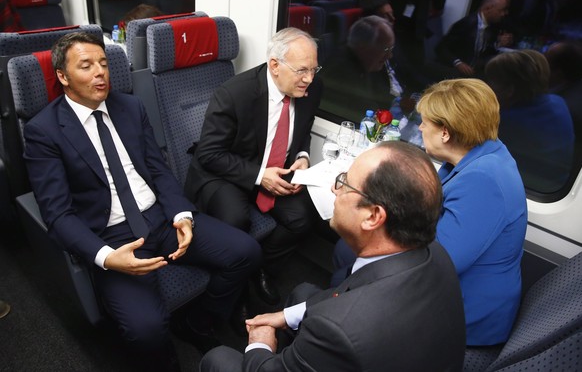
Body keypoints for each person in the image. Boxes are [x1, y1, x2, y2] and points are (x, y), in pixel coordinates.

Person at [23, 32, 261, 370]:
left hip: (161, 218)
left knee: (246, 252)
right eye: (86, 66)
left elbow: (158, 169)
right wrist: (106, 258)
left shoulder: (130, 107)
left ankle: (198, 322)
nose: (100, 73)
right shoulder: (43, 131)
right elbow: (58, 215)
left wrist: (181, 214)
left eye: (104, 64)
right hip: (112, 237)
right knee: (146, 329)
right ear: (62, 76)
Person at [199, 141, 466, 372]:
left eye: (345, 184)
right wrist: (284, 316)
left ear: (373, 216)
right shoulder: (434, 254)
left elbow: (341, 323)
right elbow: (351, 293)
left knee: (218, 358)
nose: (334, 191)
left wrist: (261, 343)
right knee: (303, 292)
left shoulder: (338, 329)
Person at [333, 79, 527, 346]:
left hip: (464, 312)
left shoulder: (484, 180)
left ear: (445, 132)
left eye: (425, 122)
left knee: (348, 265)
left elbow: (441, 261)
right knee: (345, 254)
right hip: (450, 281)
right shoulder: (479, 155)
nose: (421, 127)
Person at [184, 27, 322, 306]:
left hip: (277, 169)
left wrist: (304, 156)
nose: (309, 78)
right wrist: (260, 176)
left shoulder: (311, 86)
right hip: (228, 172)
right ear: (274, 65)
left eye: (314, 69)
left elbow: (303, 129)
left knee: (304, 218)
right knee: (235, 222)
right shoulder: (235, 93)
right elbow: (209, 154)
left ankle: (260, 268)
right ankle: (234, 285)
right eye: (301, 71)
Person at [485, 49, 575, 193]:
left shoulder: (507, 122)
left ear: (509, 90)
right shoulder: (558, 102)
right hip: (553, 184)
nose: (488, 87)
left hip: (529, 189)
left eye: (492, 82)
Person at [319, 15, 397, 122]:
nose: (389, 55)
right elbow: (362, 115)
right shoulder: (341, 73)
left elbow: (382, 98)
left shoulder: (369, 64)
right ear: (364, 46)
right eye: (386, 49)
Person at [433, 0, 512, 78]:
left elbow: (482, 51)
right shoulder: (467, 23)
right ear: (488, 8)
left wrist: (498, 44)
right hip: (456, 73)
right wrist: (458, 63)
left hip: (474, 72)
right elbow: (441, 48)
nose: (504, 14)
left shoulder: (490, 28)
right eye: (501, 10)